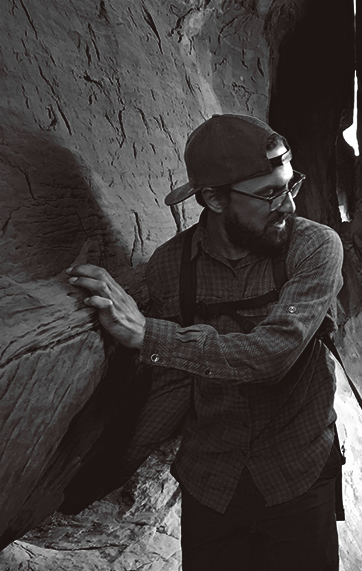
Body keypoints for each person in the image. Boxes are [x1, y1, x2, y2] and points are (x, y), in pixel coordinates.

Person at [66, 114, 344, 571]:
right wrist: (99, 473)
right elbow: (173, 386)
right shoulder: (170, 268)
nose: (290, 206)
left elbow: (273, 353)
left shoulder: (314, 248)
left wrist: (147, 334)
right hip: (212, 482)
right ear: (213, 198)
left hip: (299, 474)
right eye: (271, 193)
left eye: (290, 186)